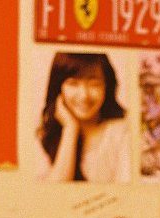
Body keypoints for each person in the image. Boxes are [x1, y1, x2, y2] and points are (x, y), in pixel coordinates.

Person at [36, 52, 130, 183]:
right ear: (58, 88)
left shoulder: (124, 132)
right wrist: (70, 129)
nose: (84, 95)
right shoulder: (43, 135)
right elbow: (52, 192)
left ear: (107, 86)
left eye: (94, 84)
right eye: (73, 83)